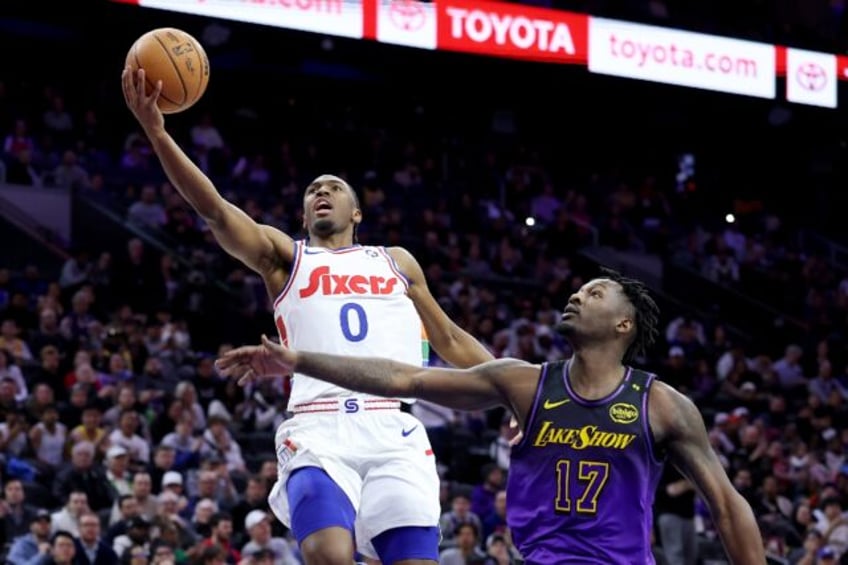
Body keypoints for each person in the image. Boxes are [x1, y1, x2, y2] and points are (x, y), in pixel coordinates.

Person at [121, 67, 493, 565]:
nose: (322, 191)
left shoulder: (396, 260)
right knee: (329, 557)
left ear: (357, 212)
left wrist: (511, 394)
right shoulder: (286, 257)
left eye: (335, 188)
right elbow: (214, 209)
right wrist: (157, 132)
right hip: (320, 427)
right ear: (302, 215)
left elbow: (448, 337)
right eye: (314, 189)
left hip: (395, 428)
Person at [216, 268, 766, 564]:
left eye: (594, 293)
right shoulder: (525, 383)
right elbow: (406, 378)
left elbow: (725, 503)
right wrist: (299, 359)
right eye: (577, 290)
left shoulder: (662, 403)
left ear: (624, 325)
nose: (576, 296)